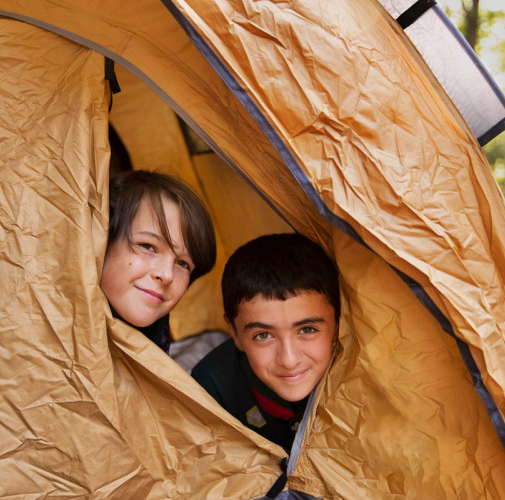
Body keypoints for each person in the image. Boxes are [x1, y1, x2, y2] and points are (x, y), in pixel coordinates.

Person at [191, 233, 339, 451]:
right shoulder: (212, 386)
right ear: (235, 333)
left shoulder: (359, 371)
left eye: (307, 330)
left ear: (337, 325)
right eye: (263, 335)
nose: (289, 360)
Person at [100, 170, 216, 352]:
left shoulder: (158, 337)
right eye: (147, 246)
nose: (167, 274)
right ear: (103, 241)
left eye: (183, 264)